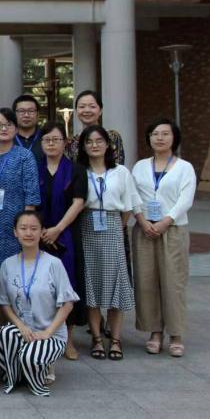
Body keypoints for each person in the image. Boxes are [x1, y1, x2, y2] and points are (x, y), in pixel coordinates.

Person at [0, 211, 80, 396]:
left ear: (42, 232)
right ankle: (16, 374)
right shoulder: (8, 264)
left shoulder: (53, 263)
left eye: (34, 228)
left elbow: (68, 303)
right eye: (23, 228)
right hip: (24, 330)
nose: (28, 233)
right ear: (15, 232)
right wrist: (20, 325)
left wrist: (48, 332)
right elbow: (3, 302)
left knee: (30, 357)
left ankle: (41, 365)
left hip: (50, 332)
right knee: (6, 333)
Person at [131, 119, 196, 358]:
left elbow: (186, 199)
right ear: (149, 138)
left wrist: (165, 221)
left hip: (173, 229)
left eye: (165, 134)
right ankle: (155, 332)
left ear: (174, 138)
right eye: (155, 133)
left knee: (173, 282)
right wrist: (141, 220)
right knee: (146, 282)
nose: (159, 138)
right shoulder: (140, 166)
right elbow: (133, 195)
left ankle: (176, 335)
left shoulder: (184, 167)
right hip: (144, 229)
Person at [77, 125, 139, 361]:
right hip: (87, 227)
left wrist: (118, 226)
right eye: (89, 141)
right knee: (91, 283)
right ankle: (96, 338)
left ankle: (115, 339)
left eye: (99, 141)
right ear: (83, 146)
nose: (94, 145)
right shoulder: (80, 171)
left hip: (113, 227)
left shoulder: (121, 172)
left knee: (115, 284)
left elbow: (129, 205)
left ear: (107, 144)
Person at [36, 122, 88, 359]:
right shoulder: (35, 168)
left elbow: (79, 202)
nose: (51, 144)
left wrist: (58, 229)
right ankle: (44, 333)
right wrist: (40, 230)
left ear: (65, 142)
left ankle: (68, 339)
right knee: (41, 285)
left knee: (67, 284)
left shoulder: (76, 169)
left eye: (56, 139)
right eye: (47, 140)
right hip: (38, 235)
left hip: (66, 233)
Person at [0, 108, 41, 268]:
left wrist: (25, 226)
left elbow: (31, 195)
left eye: (9, 124)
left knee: (14, 268)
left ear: (16, 129)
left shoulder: (25, 156)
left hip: (15, 223)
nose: (4, 128)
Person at [66, 90, 126, 165]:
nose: (87, 110)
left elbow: (118, 166)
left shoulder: (112, 137)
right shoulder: (72, 142)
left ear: (100, 111)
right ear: (76, 111)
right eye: (82, 107)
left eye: (92, 106)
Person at [12, 94, 45, 162]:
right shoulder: (7, 138)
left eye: (31, 111)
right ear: (14, 114)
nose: (26, 115)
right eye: (21, 111)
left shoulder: (46, 137)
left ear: (38, 115)